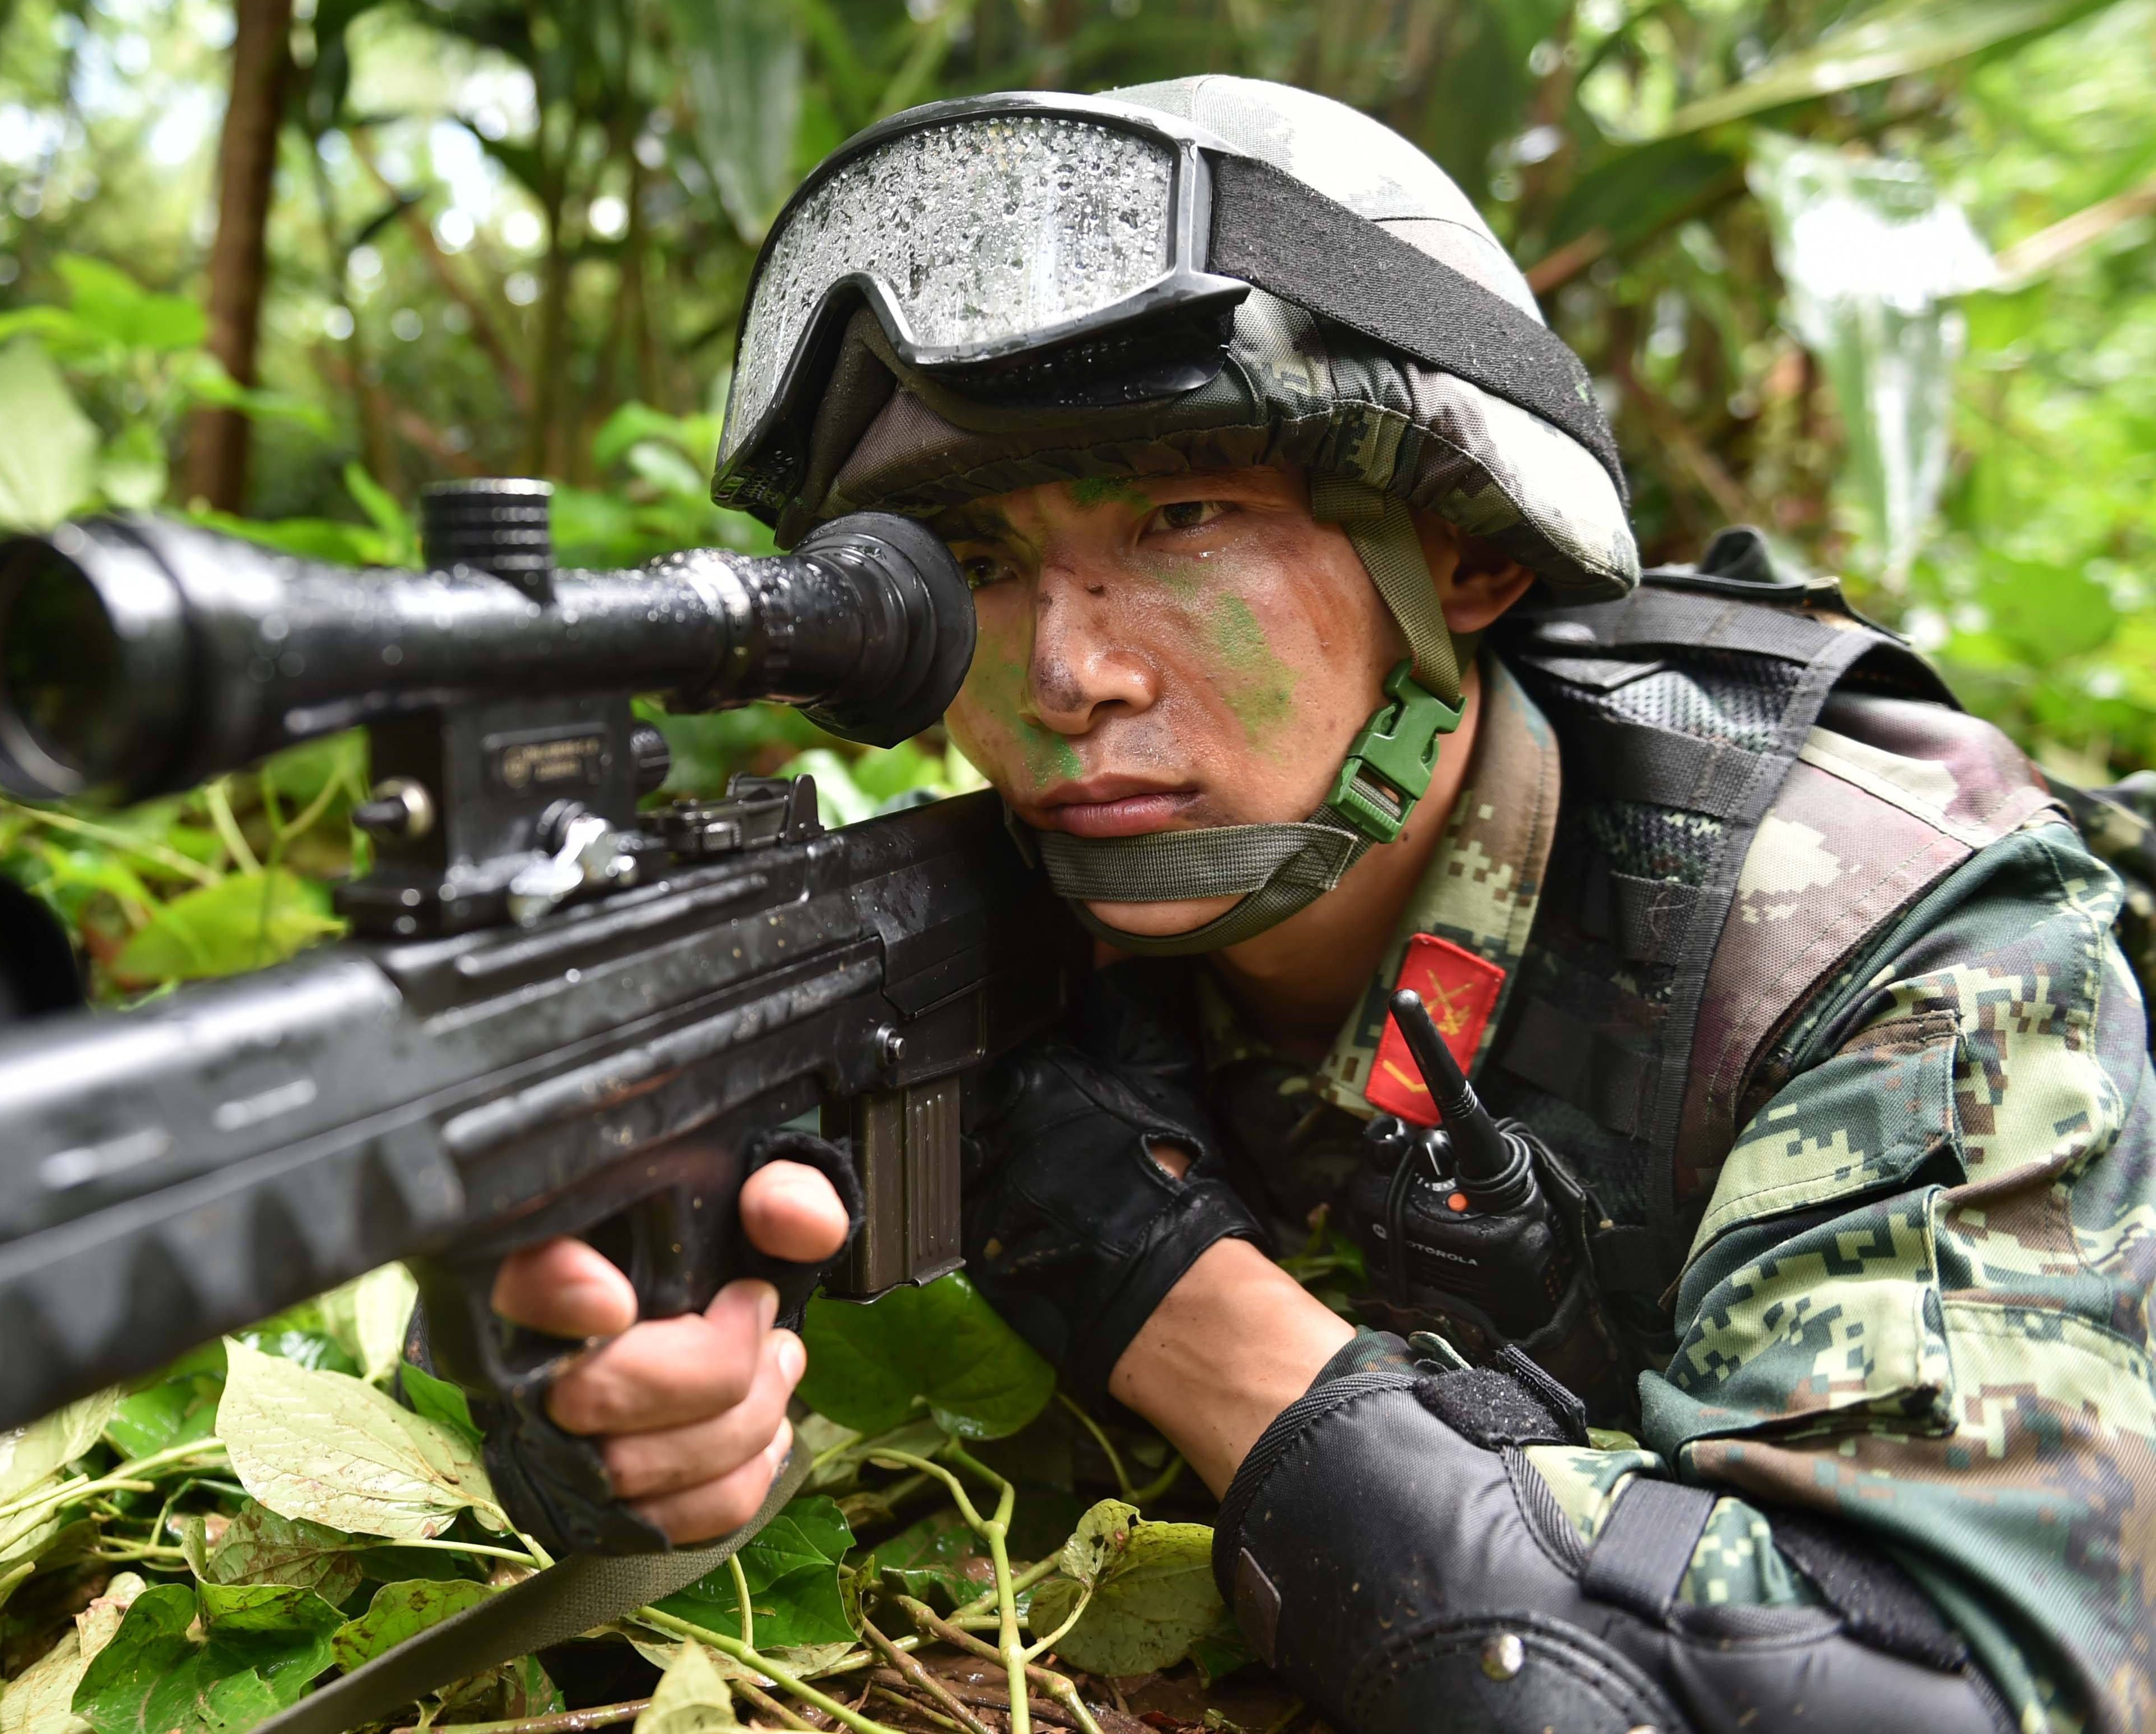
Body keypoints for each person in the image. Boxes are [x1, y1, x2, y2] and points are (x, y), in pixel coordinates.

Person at [457, 78, 2154, 1733]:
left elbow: (1926, 1682)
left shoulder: (1875, 928)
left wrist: (1174, 1298)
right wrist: (598, 1395)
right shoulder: (959, 941)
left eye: (1186, 518)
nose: (1071, 674)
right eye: (971, 563)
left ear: (1467, 554)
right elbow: (618, 1356)